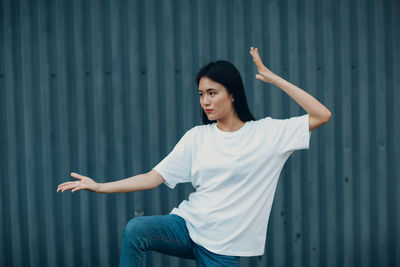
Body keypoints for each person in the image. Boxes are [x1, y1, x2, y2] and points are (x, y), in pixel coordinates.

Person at [57, 47, 331, 267]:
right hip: (189, 226)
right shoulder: (197, 137)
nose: (206, 102)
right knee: (136, 229)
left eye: (213, 93)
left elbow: (322, 114)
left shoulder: (267, 134)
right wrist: (100, 186)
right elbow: (153, 177)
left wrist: (274, 79)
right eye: (201, 95)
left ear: (233, 94)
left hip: (224, 246)